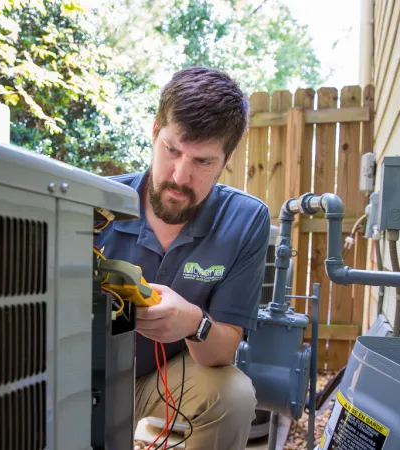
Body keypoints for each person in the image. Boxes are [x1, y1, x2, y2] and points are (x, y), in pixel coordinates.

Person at [93, 66, 271, 449]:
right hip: (86, 376)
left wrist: (194, 324)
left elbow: (224, 349)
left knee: (234, 395)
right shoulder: (96, 202)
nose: (179, 175)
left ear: (226, 159)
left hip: (166, 381)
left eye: (203, 162)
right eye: (172, 150)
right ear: (154, 130)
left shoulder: (246, 219)